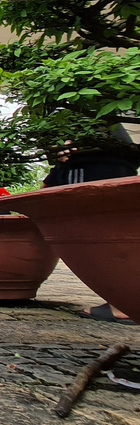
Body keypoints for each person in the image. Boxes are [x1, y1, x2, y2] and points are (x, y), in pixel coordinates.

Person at [44, 128, 139, 323]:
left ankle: (122, 305)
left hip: (91, 165)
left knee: (100, 235)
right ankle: (123, 301)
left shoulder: (78, 112)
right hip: (113, 162)